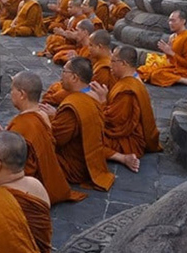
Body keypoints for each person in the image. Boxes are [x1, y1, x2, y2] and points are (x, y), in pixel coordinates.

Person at [0, 71, 86, 204]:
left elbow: (15, 163)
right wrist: (3, 137)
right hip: (48, 178)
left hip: (24, 178)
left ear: (21, 94)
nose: (11, 94)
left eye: (12, 91)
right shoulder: (43, 116)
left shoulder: (23, 124)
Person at [39, 57, 119, 190]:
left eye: (64, 71)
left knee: (32, 153)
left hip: (73, 167)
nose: (61, 76)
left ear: (75, 78)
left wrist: (48, 119)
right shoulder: (95, 99)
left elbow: (55, 139)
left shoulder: (72, 107)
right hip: (90, 161)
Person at [90, 45, 163, 159]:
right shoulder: (129, 82)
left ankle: (120, 157)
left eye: (113, 61)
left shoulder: (127, 91)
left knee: (86, 137)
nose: (110, 65)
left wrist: (102, 100)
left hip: (130, 142)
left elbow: (114, 124)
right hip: (126, 134)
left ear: (123, 63)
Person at [43, 29, 116, 106]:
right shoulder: (98, 59)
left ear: (100, 47)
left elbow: (91, 91)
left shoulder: (104, 68)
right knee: (58, 86)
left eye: (91, 45)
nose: (88, 48)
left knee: (53, 95)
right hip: (81, 86)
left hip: (85, 94)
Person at [137, 10, 187, 87]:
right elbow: (170, 59)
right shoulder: (173, 36)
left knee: (156, 75)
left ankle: (185, 80)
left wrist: (171, 53)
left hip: (184, 70)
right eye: (169, 20)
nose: (170, 23)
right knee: (144, 70)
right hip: (172, 65)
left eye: (173, 21)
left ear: (183, 21)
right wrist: (167, 53)